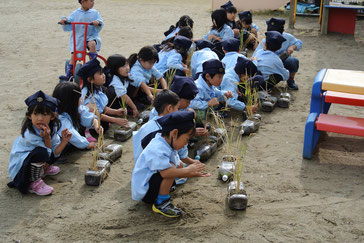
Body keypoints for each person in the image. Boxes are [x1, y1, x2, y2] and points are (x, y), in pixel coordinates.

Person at [131, 111, 210, 217]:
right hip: (145, 191)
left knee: (179, 165)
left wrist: (189, 166)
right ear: (174, 133)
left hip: (152, 180)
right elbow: (166, 173)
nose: (186, 143)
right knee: (171, 171)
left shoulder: (166, 141)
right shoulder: (157, 148)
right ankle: (161, 203)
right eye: (186, 139)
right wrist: (187, 171)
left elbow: (179, 161)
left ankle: (163, 190)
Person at [8, 91, 72, 195]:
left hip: (40, 157)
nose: (40, 118)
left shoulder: (52, 127)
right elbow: (46, 153)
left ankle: (42, 169)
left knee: (63, 144)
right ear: (29, 116)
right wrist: (47, 139)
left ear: (52, 116)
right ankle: (33, 182)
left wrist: (64, 141)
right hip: (21, 171)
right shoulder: (30, 134)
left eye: (45, 114)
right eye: (35, 113)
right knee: (41, 152)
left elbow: (55, 152)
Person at [77, 58, 128, 131]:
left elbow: (102, 108)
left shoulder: (97, 88)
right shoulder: (89, 96)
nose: (104, 75)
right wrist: (115, 120)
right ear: (90, 79)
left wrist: (116, 111)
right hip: (90, 123)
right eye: (100, 74)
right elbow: (98, 114)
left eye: (103, 73)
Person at [59, 0, 103, 81]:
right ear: (83, 1)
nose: (93, 3)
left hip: (90, 36)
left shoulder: (94, 12)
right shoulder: (75, 13)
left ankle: (92, 64)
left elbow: (100, 22)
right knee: (74, 56)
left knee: (92, 44)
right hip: (79, 38)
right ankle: (69, 74)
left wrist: (97, 22)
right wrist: (64, 21)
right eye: (91, 1)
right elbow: (68, 22)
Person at [52, 82, 103, 150]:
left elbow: (90, 118)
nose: (81, 99)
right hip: (61, 145)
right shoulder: (60, 118)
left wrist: (96, 126)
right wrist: (87, 144)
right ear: (72, 101)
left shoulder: (77, 109)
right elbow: (72, 135)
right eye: (79, 97)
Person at [133, 90, 180, 162]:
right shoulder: (163, 130)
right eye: (177, 108)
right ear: (169, 108)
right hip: (151, 168)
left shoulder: (146, 125)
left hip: (139, 165)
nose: (178, 111)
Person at [190, 59, 233, 124]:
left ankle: (211, 114)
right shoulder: (198, 88)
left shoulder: (209, 83)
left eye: (222, 77)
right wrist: (208, 103)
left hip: (205, 106)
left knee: (220, 99)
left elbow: (215, 92)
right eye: (219, 77)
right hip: (191, 109)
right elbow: (191, 103)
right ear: (207, 76)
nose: (221, 80)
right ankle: (198, 124)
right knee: (200, 114)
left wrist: (225, 93)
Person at [264, 17, 302, 90]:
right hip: (269, 63)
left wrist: (292, 47)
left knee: (293, 61)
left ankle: (290, 81)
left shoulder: (287, 37)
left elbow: (299, 42)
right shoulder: (266, 39)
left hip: (282, 60)